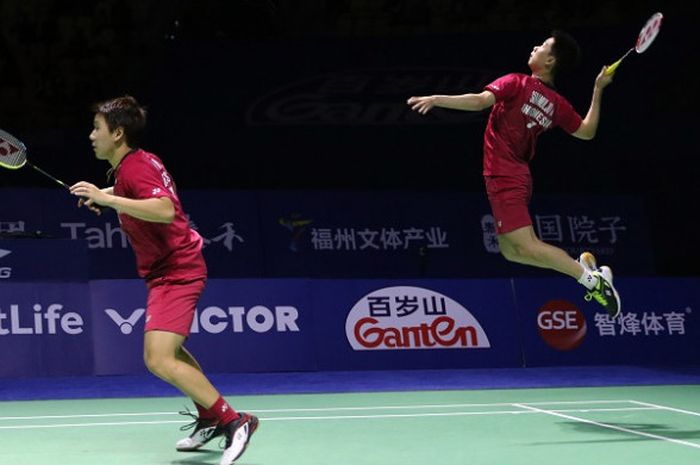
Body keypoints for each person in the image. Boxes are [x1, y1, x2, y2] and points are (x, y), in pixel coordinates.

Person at [70, 95, 258, 465]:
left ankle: (235, 421)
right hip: (165, 272)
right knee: (169, 353)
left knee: (157, 358)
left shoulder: (135, 168)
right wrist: (104, 195)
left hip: (178, 272)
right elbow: (141, 195)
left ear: (118, 132)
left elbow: (164, 209)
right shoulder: (133, 166)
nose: (91, 136)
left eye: (97, 128)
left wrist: (108, 201)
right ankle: (208, 418)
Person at [407, 30, 621, 318]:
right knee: (512, 251)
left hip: (505, 175)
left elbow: (480, 101)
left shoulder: (516, 82)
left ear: (551, 61)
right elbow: (586, 131)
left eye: (543, 46)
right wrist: (598, 89)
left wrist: (436, 98)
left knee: (526, 245)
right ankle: (586, 271)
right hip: (515, 175)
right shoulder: (556, 104)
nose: (535, 46)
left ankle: (592, 281)